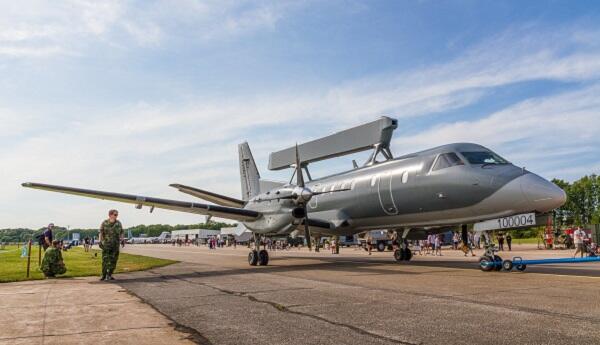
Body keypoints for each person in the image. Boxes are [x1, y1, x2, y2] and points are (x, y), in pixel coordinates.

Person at [99, 209, 124, 281]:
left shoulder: (118, 223)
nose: (116, 216)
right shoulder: (104, 223)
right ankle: (104, 275)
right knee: (105, 260)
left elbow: (121, 232)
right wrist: (100, 241)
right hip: (106, 245)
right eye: (115, 214)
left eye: (117, 215)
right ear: (110, 215)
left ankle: (109, 274)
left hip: (115, 245)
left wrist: (122, 240)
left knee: (114, 260)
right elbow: (101, 232)